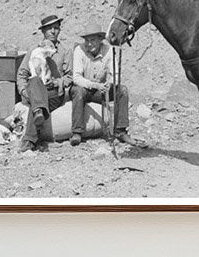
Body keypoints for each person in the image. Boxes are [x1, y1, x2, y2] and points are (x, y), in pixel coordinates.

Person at [16, 15, 72, 153]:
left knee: (37, 103)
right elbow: (22, 74)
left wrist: (58, 82)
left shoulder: (65, 51)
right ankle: (37, 115)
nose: (53, 31)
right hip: (34, 89)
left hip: (53, 92)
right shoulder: (34, 51)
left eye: (56, 28)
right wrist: (23, 91)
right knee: (34, 81)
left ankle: (29, 139)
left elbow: (70, 76)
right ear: (43, 32)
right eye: (49, 29)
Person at [70, 29, 129, 146]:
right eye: (87, 40)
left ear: (100, 40)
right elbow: (76, 78)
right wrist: (94, 85)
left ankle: (121, 130)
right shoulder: (79, 50)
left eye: (92, 40)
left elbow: (115, 73)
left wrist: (110, 83)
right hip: (85, 88)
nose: (89, 44)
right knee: (78, 91)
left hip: (101, 90)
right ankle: (77, 132)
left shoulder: (109, 50)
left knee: (122, 90)